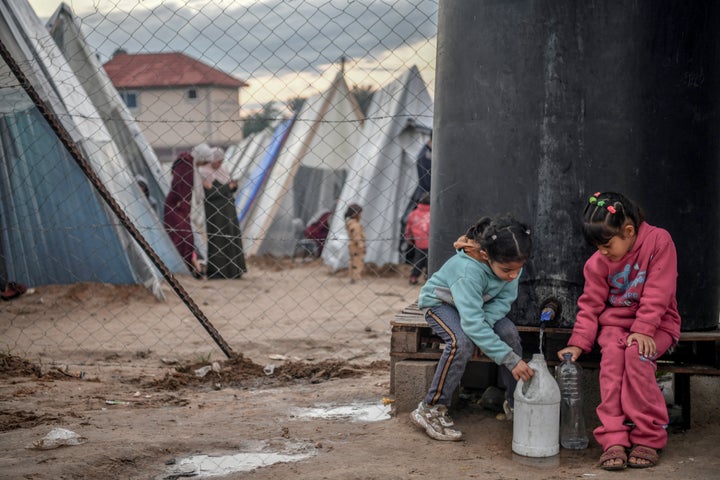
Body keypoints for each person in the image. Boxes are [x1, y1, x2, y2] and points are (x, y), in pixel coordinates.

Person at [557, 191, 681, 470]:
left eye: (606, 245)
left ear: (628, 231)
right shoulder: (597, 263)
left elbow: (659, 292)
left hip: (658, 325)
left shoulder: (659, 242)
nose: (602, 252)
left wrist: (644, 329)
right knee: (612, 360)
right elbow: (590, 306)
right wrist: (579, 342)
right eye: (597, 247)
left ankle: (648, 437)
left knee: (636, 355)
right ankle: (613, 438)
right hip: (615, 327)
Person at [410, 215, 534, 441]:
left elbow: (502, 302)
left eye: (519, 269)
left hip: (476, 309)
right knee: (461, 342)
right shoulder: (467, 271)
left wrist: (483, 331)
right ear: (486, 256)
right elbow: (471, 323)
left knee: (508, 333)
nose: (513, 275)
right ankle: (431, 408)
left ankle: (516, 404)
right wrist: (509, 358)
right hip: (442, 304)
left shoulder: (512, 264)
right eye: (507, 270)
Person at [197, 145, 247, 279]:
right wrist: (227, 188)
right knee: (218, 239)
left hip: (228, 209)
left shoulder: (223, 169)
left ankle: (235, 271)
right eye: (218, 161)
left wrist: (233, 187)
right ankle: (219, 272)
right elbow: (210, 194)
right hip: (215, 212)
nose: (220, 164)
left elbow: (228, 188)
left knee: (231, 237)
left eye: (221, 161)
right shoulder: (203, 172)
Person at [163, 151, 203, 277]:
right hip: (177, 205)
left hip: (182, 206)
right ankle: (180, 266)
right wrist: (181, 199)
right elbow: (179, 183)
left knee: (186, 238)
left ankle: (188, 265)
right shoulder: (186, 162)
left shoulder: (191, 163)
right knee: (181, 237)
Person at [400, 135, 432, 264]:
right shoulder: (425, 155)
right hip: (426, 196)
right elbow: (427, 181)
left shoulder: (426, 153)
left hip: (425, 197)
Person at [404, 192, 430, 285]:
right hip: (431, 242)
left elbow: (408, 228)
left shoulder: (414, 213)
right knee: (429, 262)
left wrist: (408, 238)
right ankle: (428, 278)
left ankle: (413, 277)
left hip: (418, 242)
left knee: (418, 261)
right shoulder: (434, 214)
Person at [344, 203, 366, 283]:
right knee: (358, 262)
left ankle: (352, 277)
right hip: (356, 246)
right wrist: (361, 244)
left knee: (353, 261)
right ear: (355, 214)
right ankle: (357, 278)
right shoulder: (355, 225)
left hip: (351, 245)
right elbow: (356, 236)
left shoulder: (349, 223)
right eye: (360, 214)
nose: (361, 216)